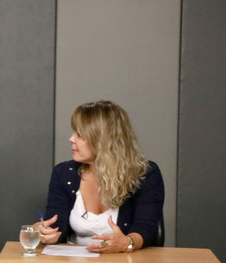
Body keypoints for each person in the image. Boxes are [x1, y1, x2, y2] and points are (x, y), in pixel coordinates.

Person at [37, 100, 164, 253]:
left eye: (80, 134)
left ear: (102, 140)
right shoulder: (63, 173)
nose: (71, 138)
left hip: (125, 262)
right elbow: (56, 227)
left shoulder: (145, 173)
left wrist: (127, 242)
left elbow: (145, 228)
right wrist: (44, 232)